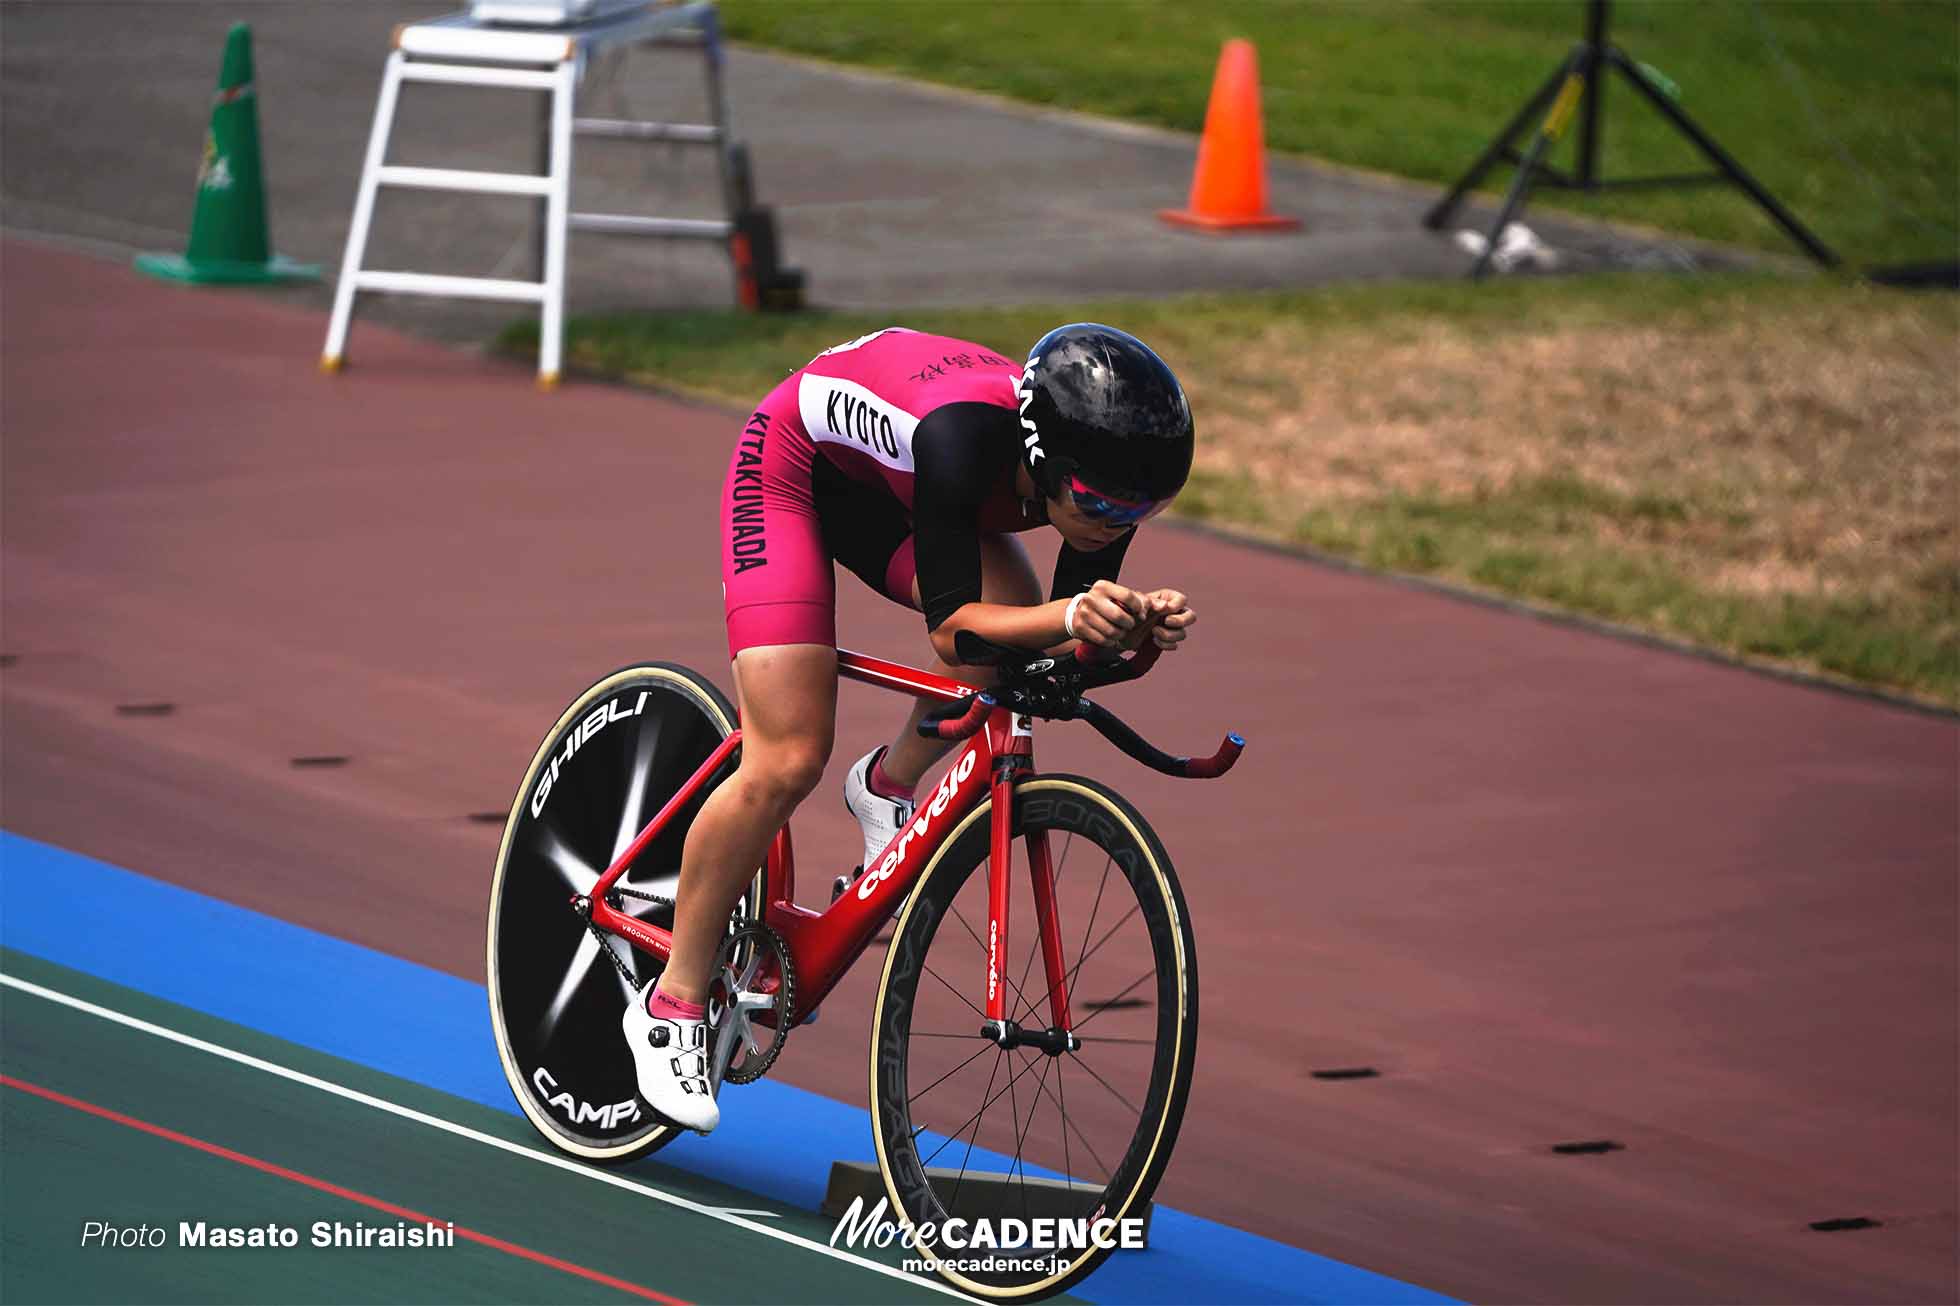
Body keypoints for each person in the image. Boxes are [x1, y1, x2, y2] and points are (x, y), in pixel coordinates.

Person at [623, 322, 1199, 1132]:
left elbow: (1061, 649)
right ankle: (672, 1005)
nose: (1117, 524)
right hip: (790, 471)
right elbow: (954, 632)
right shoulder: (961, 436)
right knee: (788, 754)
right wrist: (1069, 612)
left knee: (1019, 647)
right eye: (1103, 506)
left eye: (1143, 510)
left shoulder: (1103, 471)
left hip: (896, 491)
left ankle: (886, 785)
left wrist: (1129, 626)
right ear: (1049, 467)